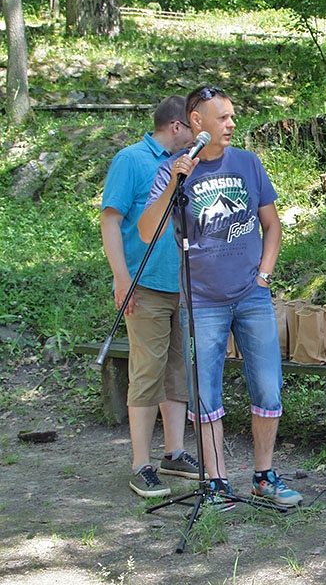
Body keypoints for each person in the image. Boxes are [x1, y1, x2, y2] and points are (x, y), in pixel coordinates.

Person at [138, 86, 301, 509]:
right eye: (223, 117)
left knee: (268, 387)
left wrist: (264, 275)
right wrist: (176, 180)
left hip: (252, 297)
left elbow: (273, 226)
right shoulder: (174, 171)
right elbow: (145, 230)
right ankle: (216, 482)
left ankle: (264, 476)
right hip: (203, 301)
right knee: (206, 395)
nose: (231, 124)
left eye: (232, 117)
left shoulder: (248, 163)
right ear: (197, 122)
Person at [100, 96, 202, 498]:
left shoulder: (188, 165)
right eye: (193, 128)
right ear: (176, 126)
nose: (198, 136)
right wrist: (120, 277)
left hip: (183, 285)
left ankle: (173, 452)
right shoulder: (131, 160)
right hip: (144, 285)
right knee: (147, 372)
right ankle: (141, 463)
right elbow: (111, 220)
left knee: (178, 372)